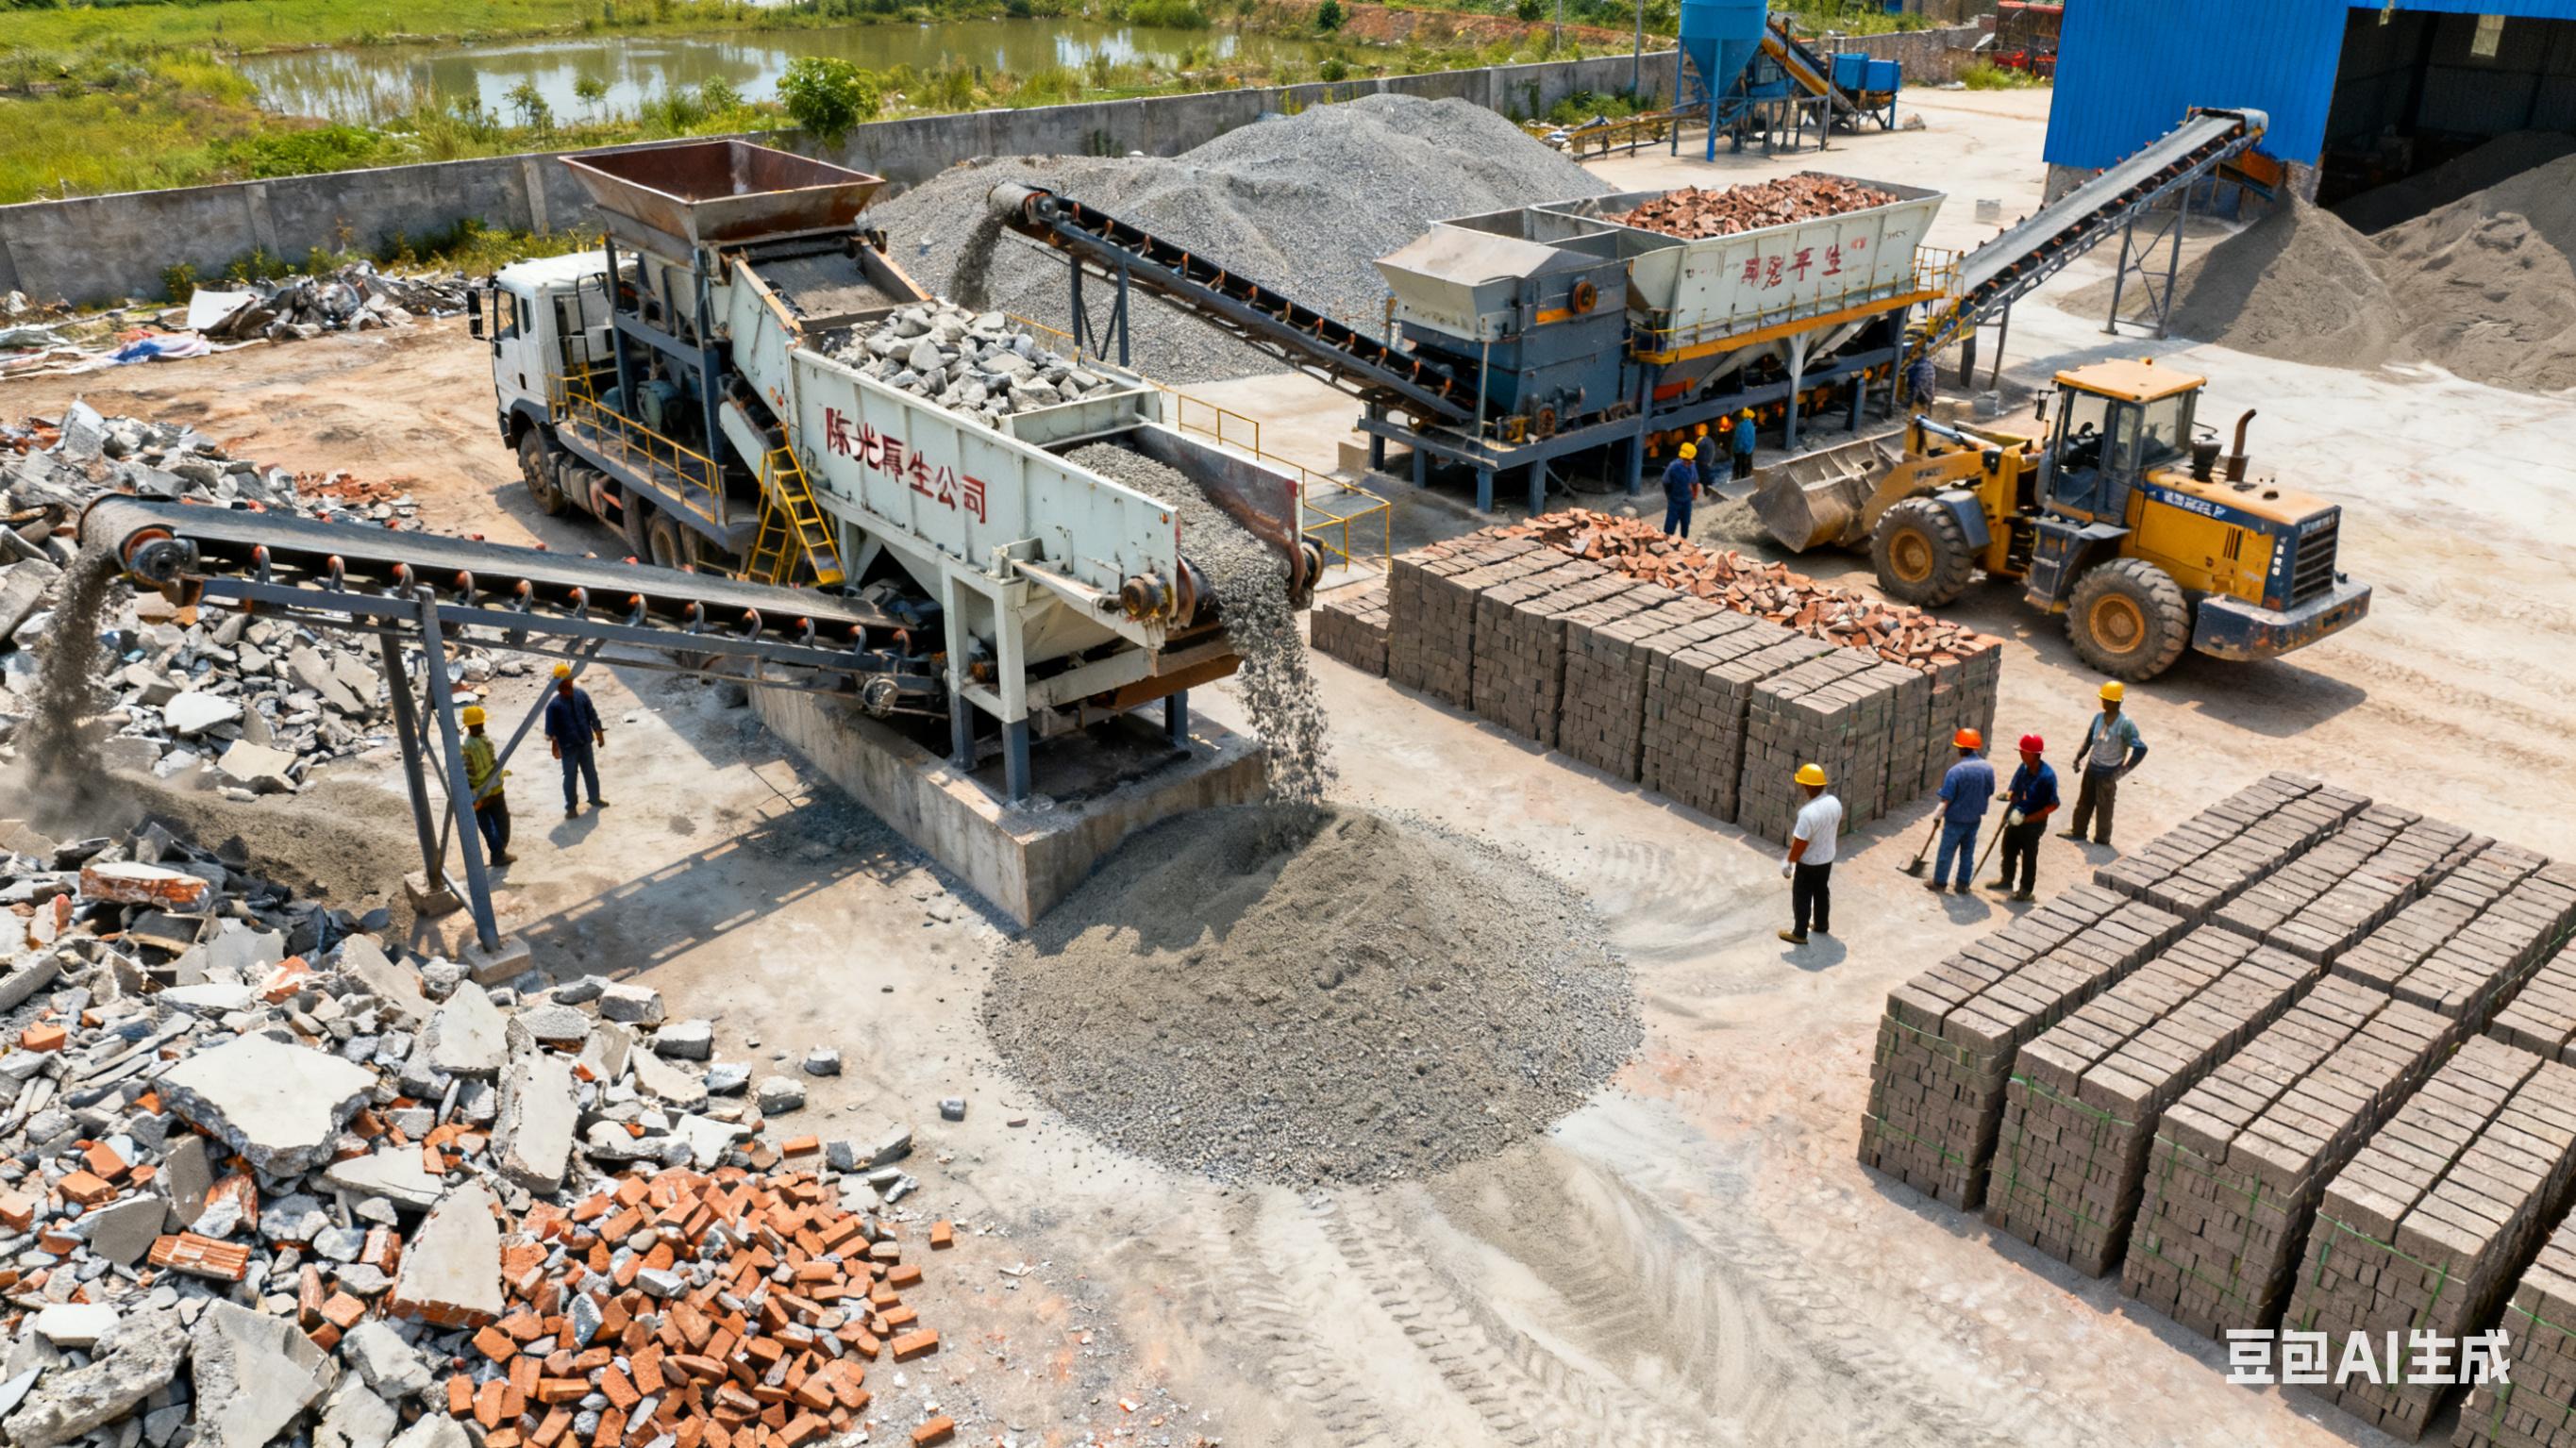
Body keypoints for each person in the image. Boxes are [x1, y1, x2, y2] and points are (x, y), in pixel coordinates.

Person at [2063, 681, 2146, 846]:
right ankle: (2078, 831)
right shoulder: (2098, 718)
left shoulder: (2125, 725)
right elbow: (2089, 739)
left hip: (2109, 772)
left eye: (2108, 701)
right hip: (2092, 767)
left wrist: (2122, 771)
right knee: (2084, 802)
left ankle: (2102, 838)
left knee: (2104, 807)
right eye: (2104, 700)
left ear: (2117, 702)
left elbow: (2141, 749)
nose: (2104, 703)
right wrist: (2079, 757)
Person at [1779, 762, 1842, 945]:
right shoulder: (1834, 803)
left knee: (1802, 894)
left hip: (1809, 862)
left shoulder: (1807, 814)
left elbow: (1800, 842)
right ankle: (1822, 925)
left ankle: (1799, 933)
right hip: (1827, 858)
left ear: (1807, 786)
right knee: (1821, 891)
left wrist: (1789, 862)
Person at [1991, 733, 2058, 901]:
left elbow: (2053, 805)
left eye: (2024, 752)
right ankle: (2007, 879)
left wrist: (2029, 819)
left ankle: (2026, 890)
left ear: (2035, 755)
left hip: (2034, 823)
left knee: (2029, 854)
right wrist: (2008, 796)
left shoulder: (2047, 777)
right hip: (2016, 815)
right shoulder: (2023, 768)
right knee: (2008, 847)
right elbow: (2014, 790)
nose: (2021, 755)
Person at [1928, 728, 1994, 894]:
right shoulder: (1987, 768)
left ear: (1962, 749)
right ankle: (1962, 884)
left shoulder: (1955, 771)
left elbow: (1946, 798)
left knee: (1946, 851)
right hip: (1974, 819)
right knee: (1967, 852)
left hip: (1955, 820)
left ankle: (1940, 882)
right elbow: (1990, 790)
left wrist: (1937, 817)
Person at [544, 662, 610, 818]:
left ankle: (594, 798)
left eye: (568, 684)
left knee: (591, 772)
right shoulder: (553, 707)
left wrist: (599, 734)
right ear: (558, 686)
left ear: (571, 682)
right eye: (563, 685)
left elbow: (592, 715)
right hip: (568, 747)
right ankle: (571, 807)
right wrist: (555, 748)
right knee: (570, 777)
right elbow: (551, 732)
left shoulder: (581, 695)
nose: (567, 688)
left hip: (585, 742)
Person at [459, 705, 515, 866]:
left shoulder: (480, 742)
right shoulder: (468, 747)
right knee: (493, 826)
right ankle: (498, 854)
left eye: (480, 724)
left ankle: (498, 851)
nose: (480, 727)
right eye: (477, 725)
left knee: (498, 824)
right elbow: (474, 771)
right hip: (484, 794)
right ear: (471, 726)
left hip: (489, 793)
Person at [1662, 444, 1700, 538]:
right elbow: (1666, 481)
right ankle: (1669, 539)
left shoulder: (1677, 466)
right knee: (1675, 521)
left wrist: (1694, 494)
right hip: (1677, 499)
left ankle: (1682, 540)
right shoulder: (1675, 466)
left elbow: (1665, 481)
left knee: (1683, 522)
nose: (1687, 462)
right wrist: (1669, 495)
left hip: (1684, 499)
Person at [1731, 408, 1759, 482]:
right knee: (1745, 463)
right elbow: (1751, 438)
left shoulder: (1740, 425)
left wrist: (1735, 448)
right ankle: (1745, 476)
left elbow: (1737, 437)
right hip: (1748, 448)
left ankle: (1736, 475)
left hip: (1739, 448)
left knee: (1737, 462)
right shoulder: (1751, 426)